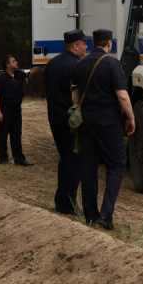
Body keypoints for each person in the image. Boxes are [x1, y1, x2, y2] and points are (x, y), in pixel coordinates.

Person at [71, 29, 135, 230]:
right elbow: (122, 96)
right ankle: (106, 215)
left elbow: (74, 98)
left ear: (91, 44)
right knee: (116, 163)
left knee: (88, 166)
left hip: (86, 118)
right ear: (109, 43)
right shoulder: (112, 63)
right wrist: (131, 118)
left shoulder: (79, 64)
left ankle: (91, 215)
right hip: (107, 117)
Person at [45, 29, 89, 215]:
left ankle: (61, 200)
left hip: (54, 117)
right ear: (76, 46)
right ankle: (69, 203)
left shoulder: (52, 64)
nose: (87, 47)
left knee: (65, 160)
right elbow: (76, 97)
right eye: (84, 43)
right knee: (74, 162)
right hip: (70, 121)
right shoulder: (76, 66)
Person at [0, 55, 42, 166]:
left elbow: (33, 71)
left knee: (16, 135)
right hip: (5, 110)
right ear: (7, 65)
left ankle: (19, 159)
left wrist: (42, 62)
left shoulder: (19, 74)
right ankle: (4, 159)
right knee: (3, 135)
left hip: (16, 110)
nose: (16, 62)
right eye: (14, 61)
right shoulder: (0, 78)